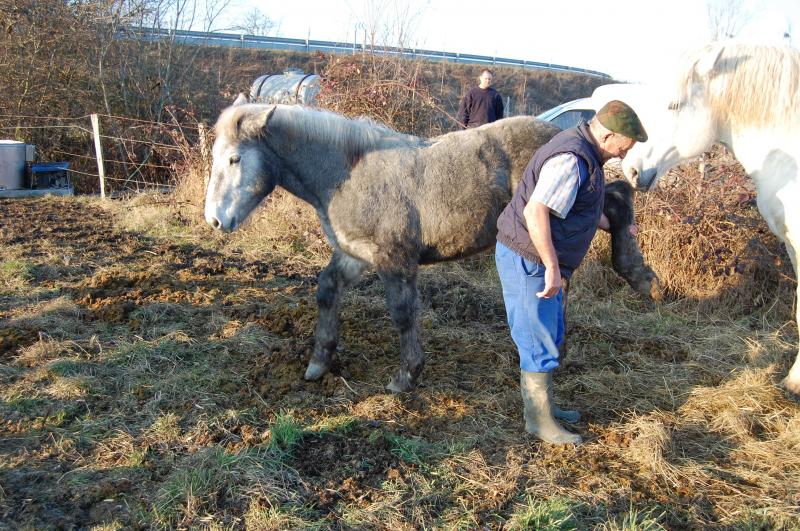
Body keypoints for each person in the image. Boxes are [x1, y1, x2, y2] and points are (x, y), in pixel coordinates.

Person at [494, 100, 647, 444]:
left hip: (537, 256)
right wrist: (550, 266)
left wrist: (614, 224)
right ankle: (538, 420)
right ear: (607, 134)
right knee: (537, 335)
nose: (627, 153)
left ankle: (547, 407)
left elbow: (577, 204)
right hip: (528, 258)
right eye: (626, 145)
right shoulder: (572, 159)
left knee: (551, 329)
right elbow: (537, 212)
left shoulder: (587, 153)